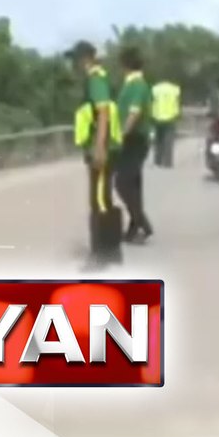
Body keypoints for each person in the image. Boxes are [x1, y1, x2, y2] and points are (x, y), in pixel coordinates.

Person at [67, 40, 124, 268]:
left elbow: (103, 114)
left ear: (85, 59)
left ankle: (102, 253)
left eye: (75, 59)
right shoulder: (98, 78)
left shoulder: (96, 79)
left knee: (99, 199)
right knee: (103, 198)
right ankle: (111, 250)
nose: (73, 64)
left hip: (102, 149)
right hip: (102, 147)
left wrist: (99, 147)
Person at [115, 47, 155, 243]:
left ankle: (142, 223)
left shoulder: (137, 85)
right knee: (133, 185)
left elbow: (134, 112)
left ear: (125, 65)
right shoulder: (131, 84)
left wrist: (122, 134)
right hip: (133, 139)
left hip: (134, 139)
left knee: (122, 183)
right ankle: (134, 228)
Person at [150, 79, 182, 167]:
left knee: (158, 141)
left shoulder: (155, 89)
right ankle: (168, 162)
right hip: (171, 117)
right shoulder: (175, 89)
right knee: (169, 142)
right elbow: (177, 102)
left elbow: (152, 102)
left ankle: (158, 161)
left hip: (157, 116)